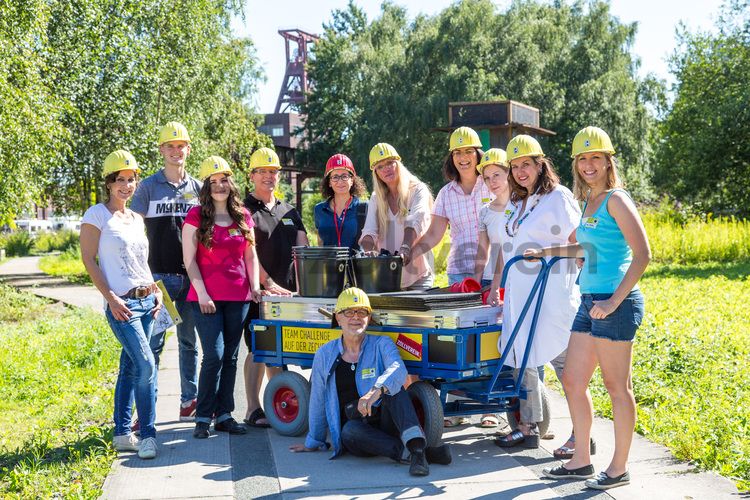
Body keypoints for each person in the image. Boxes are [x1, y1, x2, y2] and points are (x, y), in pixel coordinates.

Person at [533, 127, 650, 490]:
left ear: (607, 161)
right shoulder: (589, 203)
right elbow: (585, 249)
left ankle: (619, 468)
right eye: (582, 159)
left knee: (617, 387)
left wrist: (613, 300)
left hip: (616, 302)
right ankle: (581, 459)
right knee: (572, 379)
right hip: (588, 301)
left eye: (595, 158)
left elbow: (643, 255)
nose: (588, 165)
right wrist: (546, 253)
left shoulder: (616, 199)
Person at [289, 288, 452, 476]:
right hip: (356, 433)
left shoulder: (381, 344)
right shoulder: (324, 354)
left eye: (362, 312)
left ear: (369, 318)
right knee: (349, 431)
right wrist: (313, 442)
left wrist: (376, 390)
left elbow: (398, 369)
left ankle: (416, 451)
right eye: (348, 312)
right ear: (337, 318)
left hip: (386, 421)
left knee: (394, 389)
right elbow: (318, 399)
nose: (355, 317)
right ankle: (419, 453)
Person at [488, 135, 581, 449]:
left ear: (541, 164)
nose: (520, 171)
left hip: (551, 294)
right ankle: (529, 427)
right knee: (521, 359)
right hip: (520, 294)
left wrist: (545, 254)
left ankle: (581, 435)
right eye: (514, 166)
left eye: (526, 164)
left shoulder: (559, 197)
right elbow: (508, 246)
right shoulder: (516, 203)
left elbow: (580, 247)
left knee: (566, 366)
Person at [80, 150, 162, 459]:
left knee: (129, 368)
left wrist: (156, 292)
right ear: (109, 183)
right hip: (122, 306)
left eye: (131, 180)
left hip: (147, 301)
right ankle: (148, 434)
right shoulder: (97, 215)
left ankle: (121, 433)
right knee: (146, 364)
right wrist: (111, 298)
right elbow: (89, 260)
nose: (126, 186)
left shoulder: (136, 219)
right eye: (120, 181)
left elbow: (142, 261)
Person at [409, 127, 494, 427]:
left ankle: (489, 407)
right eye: (457, 152)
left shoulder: (493, 183)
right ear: (452, 158)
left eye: (468, 151)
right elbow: (434, 234)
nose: (463, 157)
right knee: (464, 339)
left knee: (492, 336)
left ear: (478, 154)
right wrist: (412, 251)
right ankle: (459, 403)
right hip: (461, 270)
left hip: (495, 270)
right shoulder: (446, 193)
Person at [182, 156, 261, 438]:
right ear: (205, 187)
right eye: (213, 182)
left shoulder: (243, 215)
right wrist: (202, 293)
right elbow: (189, 261)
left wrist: (254, 286)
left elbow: (250, 254)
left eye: (223, 180)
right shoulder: (195, 217)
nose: (219, 186)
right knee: (213, 355)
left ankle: (225, 415)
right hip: (206, 297)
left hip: (238, 296)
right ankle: (203, 417)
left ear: (231, 182)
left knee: (230, 356)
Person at [131, 121, 201, 425]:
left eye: (180, 146)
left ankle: (190, 402)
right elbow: (132, 231)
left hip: (190, 280)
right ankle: (145, 411)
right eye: (170, 146)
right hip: (158, 280)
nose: (176, 151)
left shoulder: (198, 188)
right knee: (152, 346)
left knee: (189, 344)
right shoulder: (147, 187)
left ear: (188, 149)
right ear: (162, 150)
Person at [242, 147, 309, 427]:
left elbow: (304, 246)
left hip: (290, 293)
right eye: (263, 172)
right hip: (261, 292)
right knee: (259, 347)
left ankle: (274, 403)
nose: (269, 176)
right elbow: (248, 251)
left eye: (273, 171)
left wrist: (306, 285)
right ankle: (252, 408)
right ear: (252, 176)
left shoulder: (289, 210)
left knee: (279, 349)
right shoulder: (244, 210)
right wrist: (267, 282)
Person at [359, 143, 434, 290]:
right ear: (376, 173)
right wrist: (367, 251)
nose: (385, 169)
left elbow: (415, 219)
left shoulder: (418, 190)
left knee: (418, 314)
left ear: (398, 163)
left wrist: (405, 248)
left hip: (418, 275)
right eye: (379, 167)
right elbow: (369, 230)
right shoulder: (376, 198)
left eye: (389, 163)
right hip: (388, 275)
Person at [313, 154, 368, 251]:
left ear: (352, 180)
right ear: (329, 182)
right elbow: (320, 242)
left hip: (356, 265)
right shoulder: (319, 210)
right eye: (335, 177)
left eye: (344, 176)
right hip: (328, 265)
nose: (340, 181)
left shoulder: (364, 208)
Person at [473, 148, 511, 288]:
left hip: (517, 277)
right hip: (489, 281)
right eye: (487, 178)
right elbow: (482, 251)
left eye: (496, 175)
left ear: (509, 172)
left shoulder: (523, 207)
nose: (492, 182)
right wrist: (476, 283)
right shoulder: (485, 211)